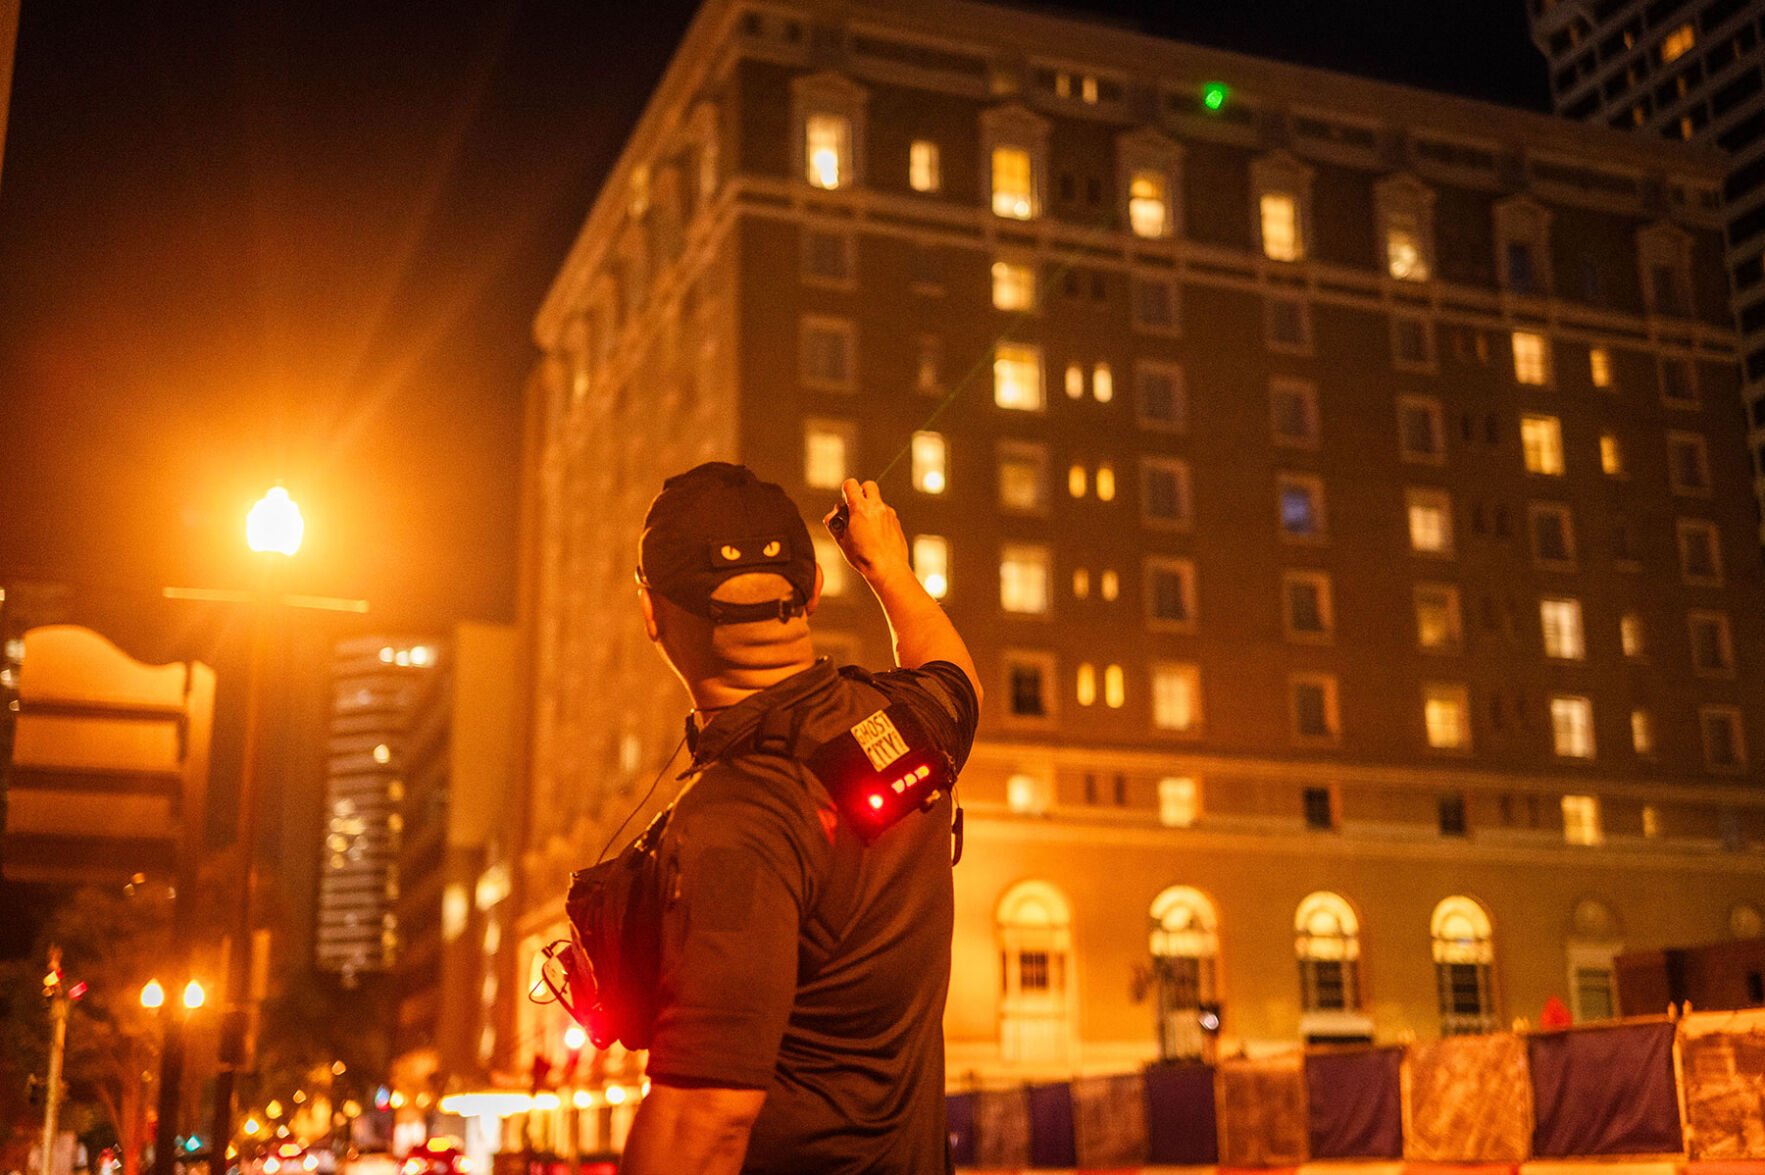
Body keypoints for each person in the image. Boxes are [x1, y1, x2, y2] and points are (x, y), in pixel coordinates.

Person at [618, 462, 982, 1175]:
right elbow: (954, 677)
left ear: (651, 614)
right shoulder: (905, 724)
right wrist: (888, 569)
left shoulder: (735, 821)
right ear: (813, 589)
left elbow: (704, 1123)